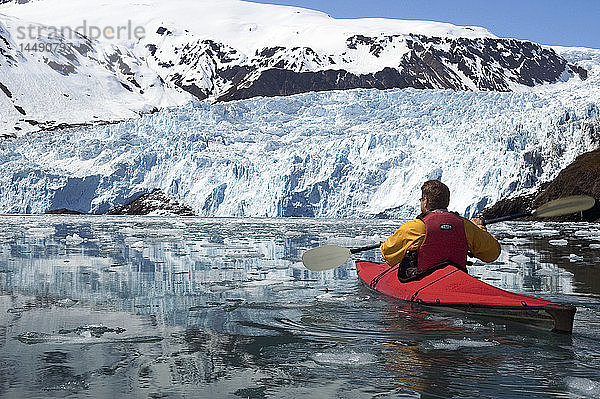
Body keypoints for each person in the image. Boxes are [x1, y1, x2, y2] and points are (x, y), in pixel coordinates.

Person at [380, 180, 501, 281]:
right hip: (456, 280)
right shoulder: (465, 225)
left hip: (422, 281)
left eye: (421, 199)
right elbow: (492, 253)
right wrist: (479, 227)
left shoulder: (415, 227)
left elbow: (388, 255)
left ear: (425, 201)